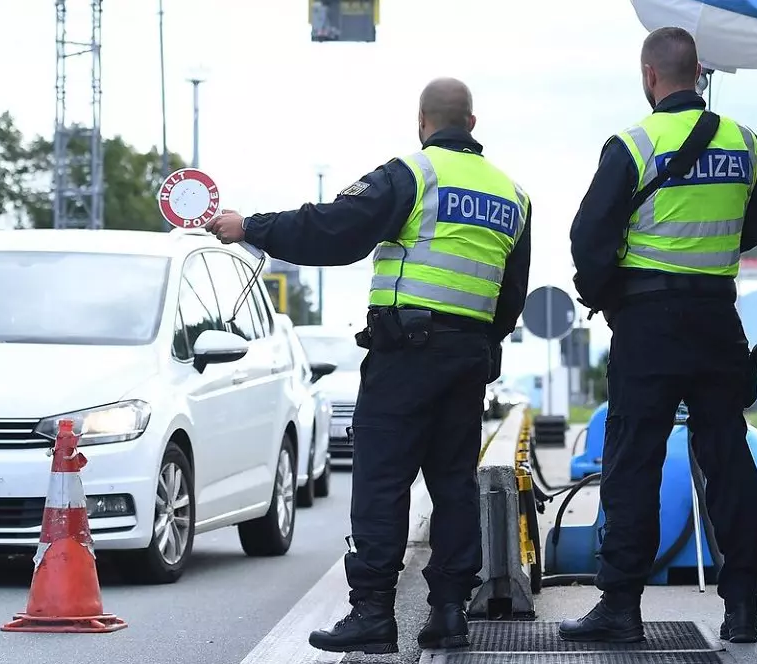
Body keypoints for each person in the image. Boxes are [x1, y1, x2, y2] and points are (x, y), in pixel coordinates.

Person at [205, 77, 532, 655]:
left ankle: (374, 613)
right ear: (472, 124)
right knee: (453, 482)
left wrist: (251, 227)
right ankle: (449, 612)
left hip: (406, 354)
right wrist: (479, 343)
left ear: (422, 121)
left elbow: (335, 229)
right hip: (468, 358)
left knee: (383, 479)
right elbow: (511, 295)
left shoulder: (413, 175)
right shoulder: (513, 195)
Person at [562, 26, 757, 645]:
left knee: (634, 460)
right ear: (699, 73)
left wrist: (607, 296)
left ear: (650, 76)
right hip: (717, 320)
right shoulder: (748, 145)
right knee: (728, 455)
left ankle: (621, 608)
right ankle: (743, 606)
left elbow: (588, 239)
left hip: (647, 325)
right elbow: (753, 227)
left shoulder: (633, 145)